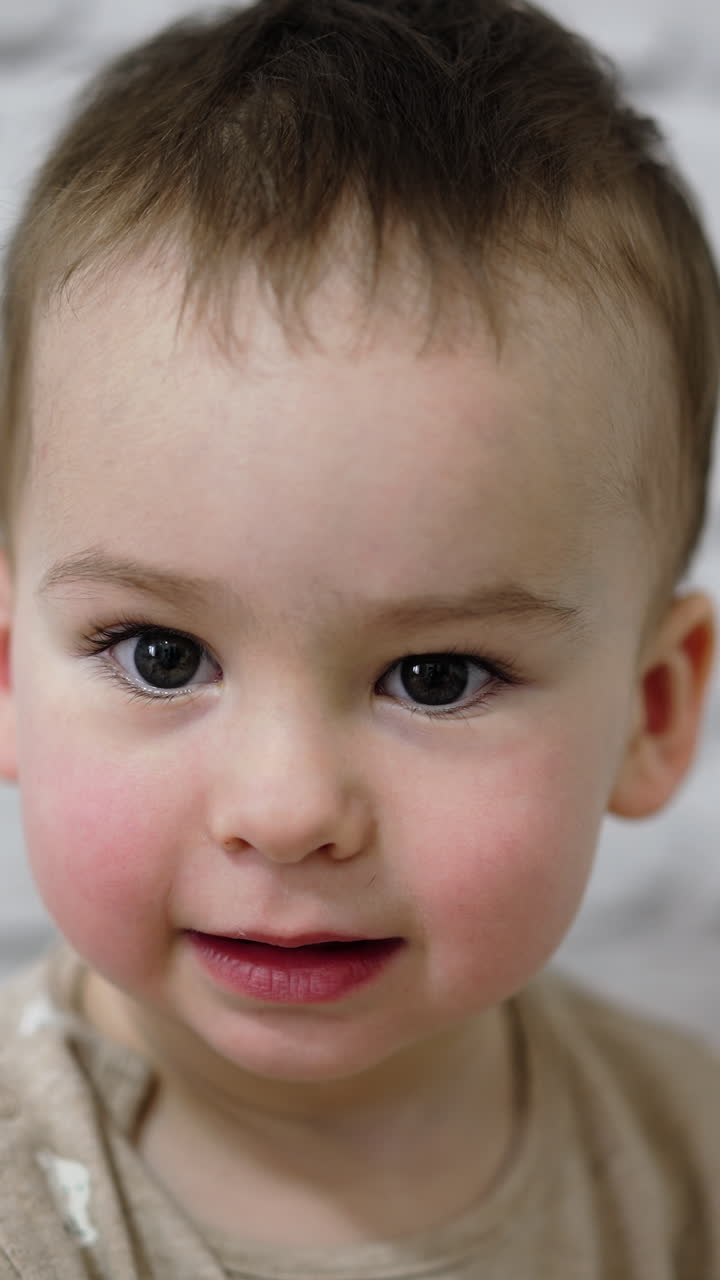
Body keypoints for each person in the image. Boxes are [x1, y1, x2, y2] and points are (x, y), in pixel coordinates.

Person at [0, 0, 718, 1274]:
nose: (284, 811)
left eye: (436, 677)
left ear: (652, 712)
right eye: (161, 653)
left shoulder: (690, 1165)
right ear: (7, 672)